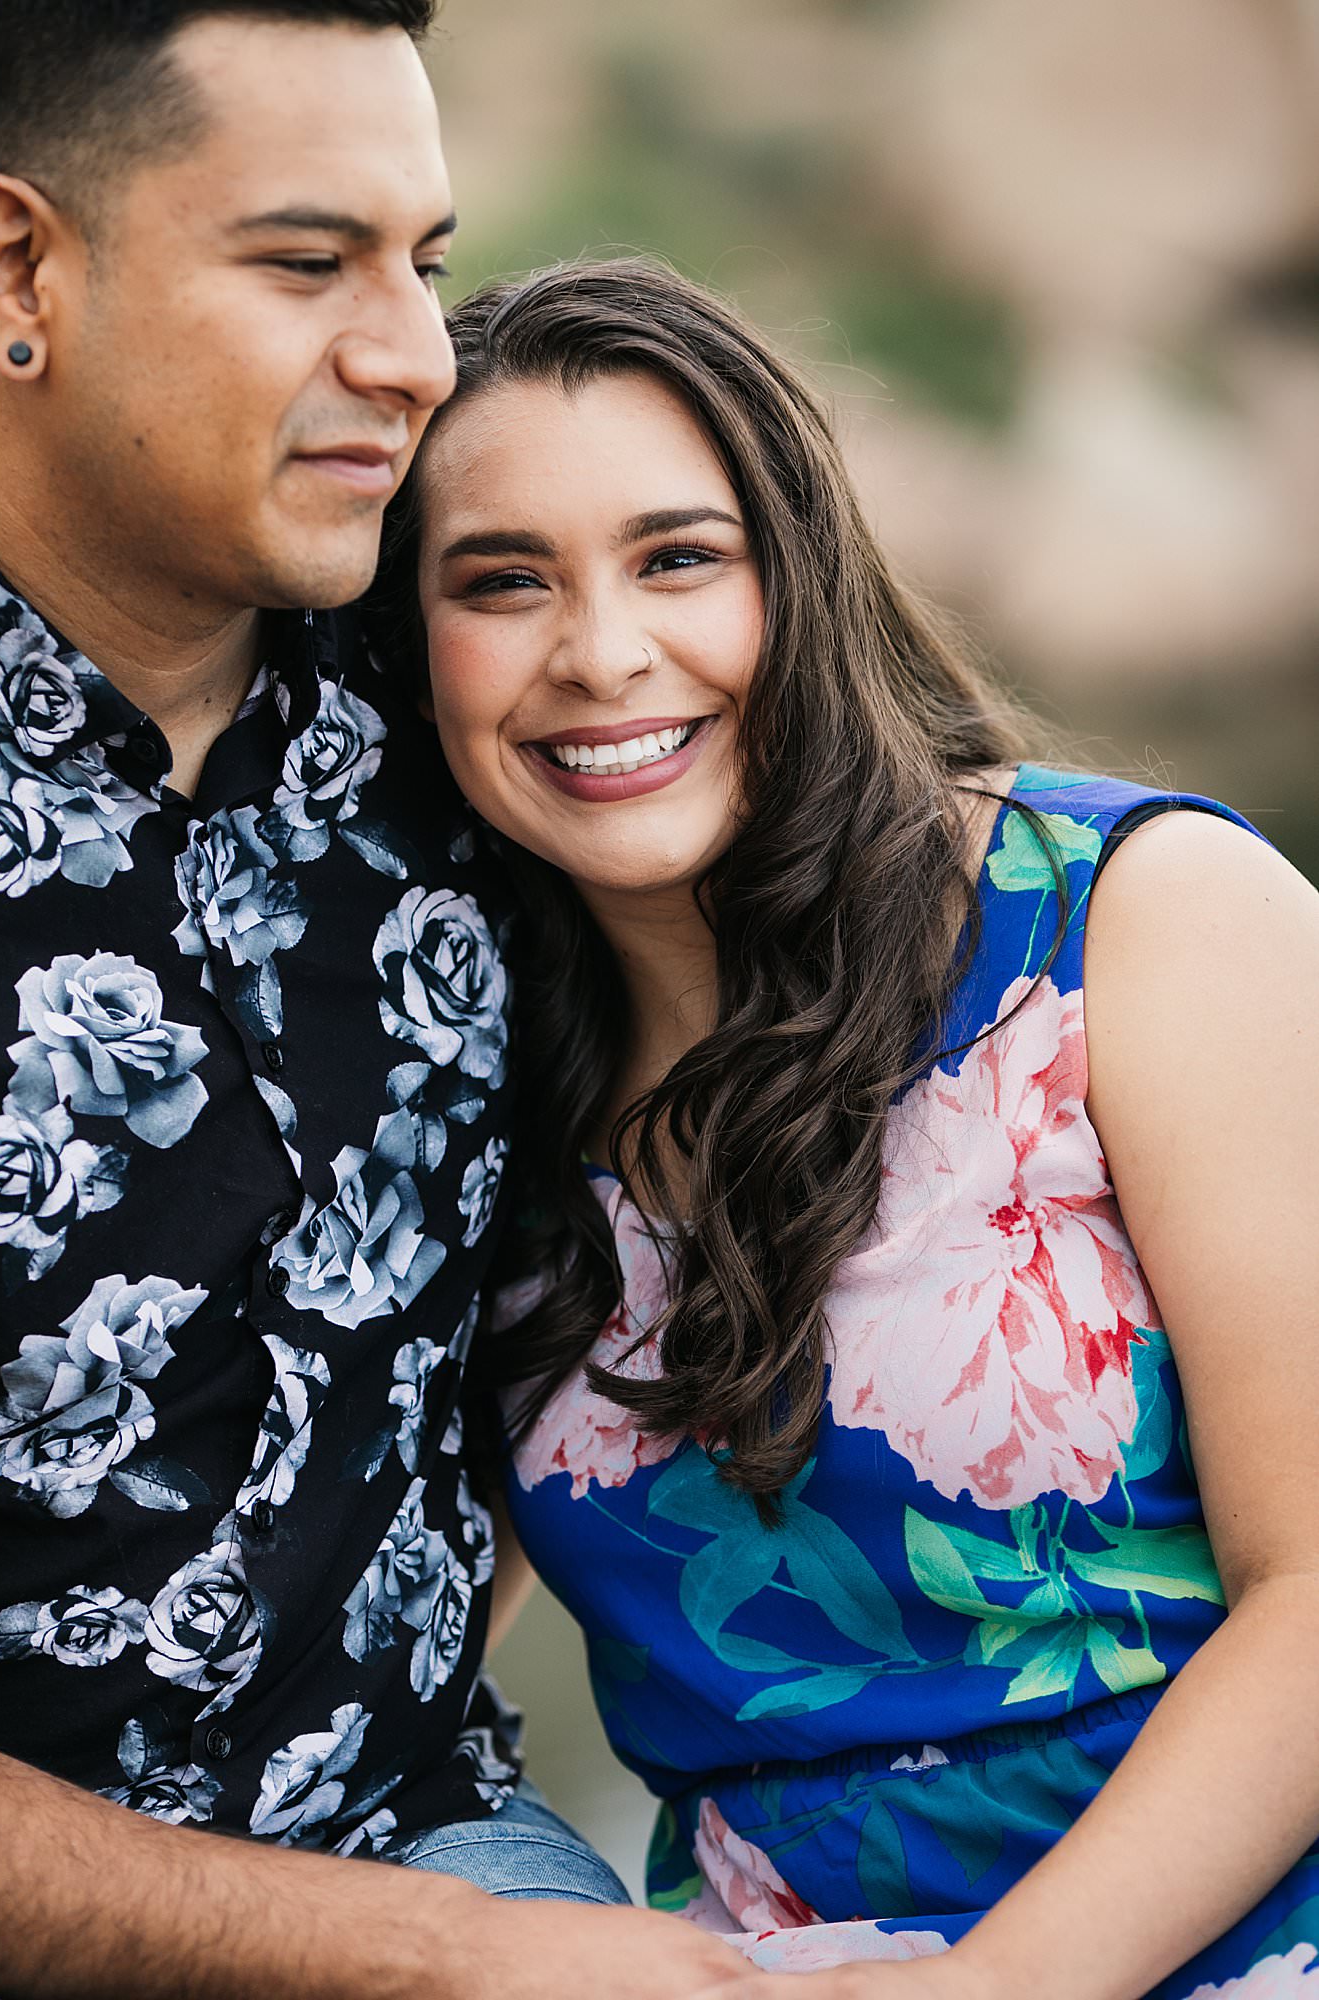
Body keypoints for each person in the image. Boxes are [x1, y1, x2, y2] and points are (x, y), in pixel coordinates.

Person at [400, 258, 1319, 1997]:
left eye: (680, 557)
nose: (602, 654)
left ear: (800, 574)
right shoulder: (461, 1081)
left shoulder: (1140, 920)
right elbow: (391, 1636)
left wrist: (998, 1990)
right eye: (501, 582)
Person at [0, 11, 761, 1998]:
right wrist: (423, 1955)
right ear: (16, 273)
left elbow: (848, 871)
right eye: (306, 262)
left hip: (436, 1835)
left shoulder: (468, 674)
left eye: (422, 261)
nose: (416, 351)